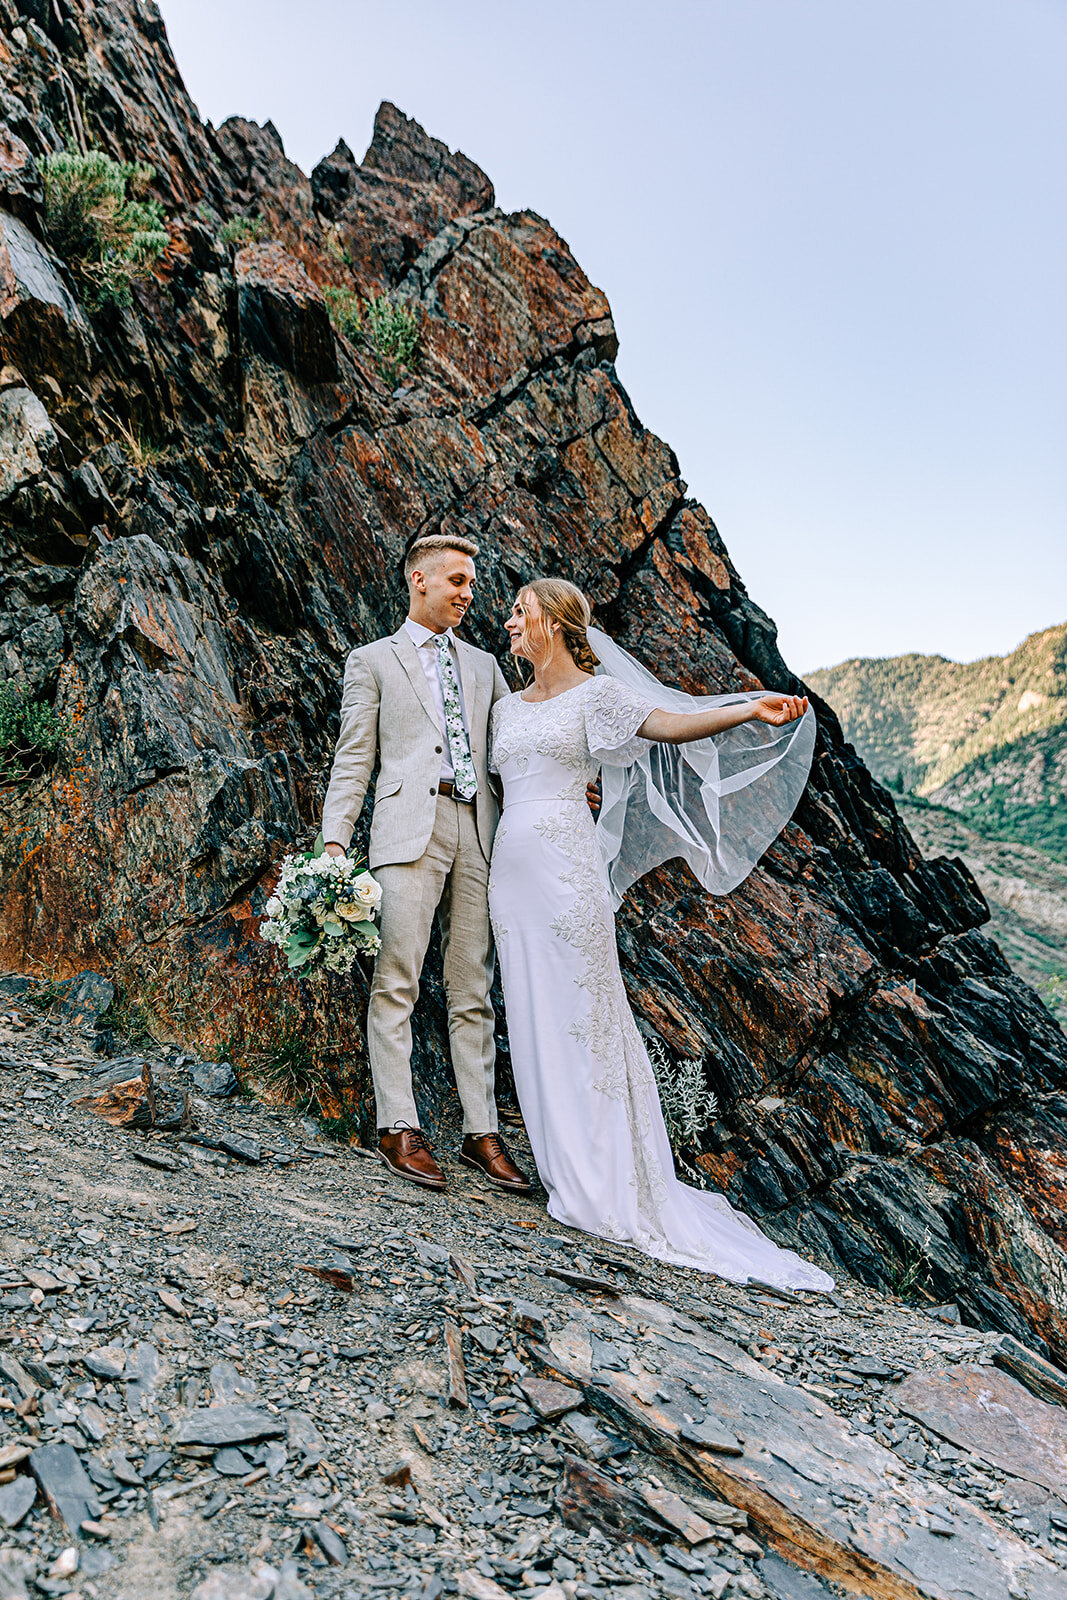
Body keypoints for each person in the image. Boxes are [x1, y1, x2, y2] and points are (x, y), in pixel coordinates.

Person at [487, 577, 834, 1291]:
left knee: (583, 1016)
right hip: (509, 881)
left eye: (519, 612)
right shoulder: (502, 707)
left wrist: (746, 708)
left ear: (553, 622)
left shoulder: (597, 695)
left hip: (564, 871)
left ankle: (603, 1182)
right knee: (531, 1017)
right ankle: (564, 1166)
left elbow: (671, 723)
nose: (509, 622)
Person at [319, 534, 531, 1194]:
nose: (469, 594)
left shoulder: (485, 665)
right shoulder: (371, 661)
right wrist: (333, 845)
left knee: (473, 988)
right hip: (408, 828)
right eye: (458, 582)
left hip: (480, 828)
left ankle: (480, 1133)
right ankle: (398, 1127)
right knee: (398, 978)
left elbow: (511, 746)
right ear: (419, 580)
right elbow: (355, 758)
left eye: (471, 583)